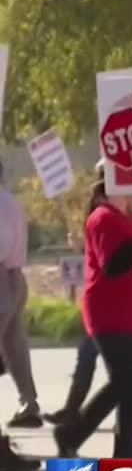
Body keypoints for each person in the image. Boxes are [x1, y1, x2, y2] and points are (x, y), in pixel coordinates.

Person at [53, 178, 132, 457]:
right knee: (124, 381)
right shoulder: (102, 219)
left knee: (131, 384)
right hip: (110, 314)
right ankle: (72, 433)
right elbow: (112, 264)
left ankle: (126, 451)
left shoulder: (127, 219)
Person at [0, 159, 39, 429]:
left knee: (13, 346)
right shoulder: (9, 201)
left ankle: (29, 404)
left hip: (2, 275)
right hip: (15, 276)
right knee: (15, 346)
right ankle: (29, 403)